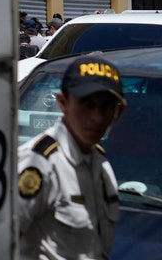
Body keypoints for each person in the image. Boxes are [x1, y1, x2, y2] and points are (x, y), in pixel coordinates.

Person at [17, 55, 124, 260]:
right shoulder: (40, 164)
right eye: (87, 104)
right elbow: (3, 245)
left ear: (118, 112)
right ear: (62, 103)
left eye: (106, 106)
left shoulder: (100, 165)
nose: (98, 117)